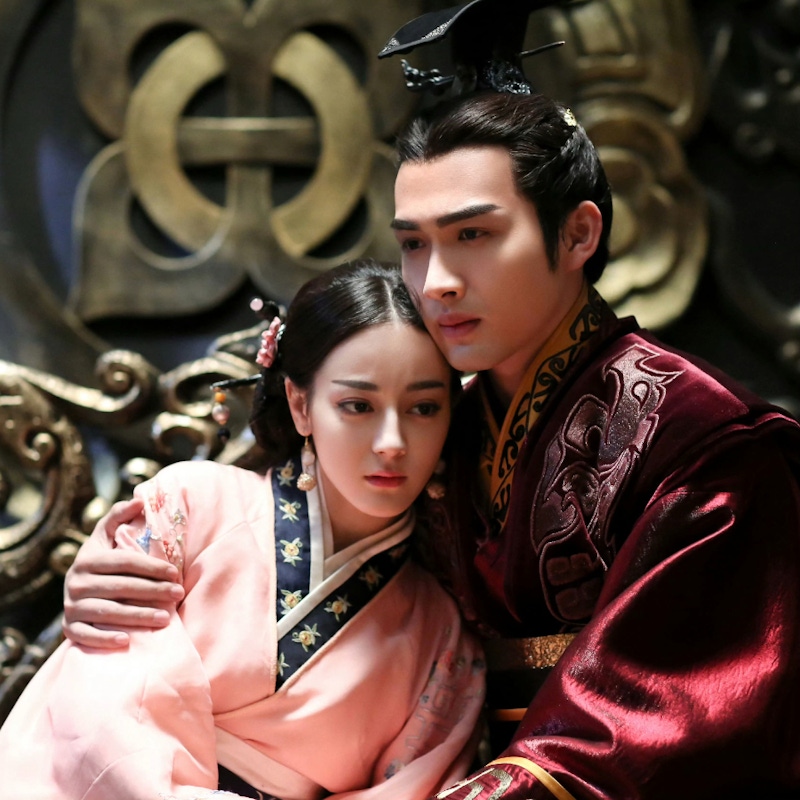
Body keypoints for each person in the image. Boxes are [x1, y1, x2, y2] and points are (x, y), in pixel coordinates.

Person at [61, 10, 800, 800]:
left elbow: (648, 727)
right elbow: (276, 517)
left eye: (473, 236)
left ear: (578, 234)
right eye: (414, 243)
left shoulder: (708, 445)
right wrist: (127, 569)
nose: (436, 282)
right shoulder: (444, 415)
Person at [0, 259, 486, 800]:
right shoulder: (185, 508)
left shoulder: (440, 634)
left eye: (423, 407)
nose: (392, 442)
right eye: (357, 405)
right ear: (301, 405)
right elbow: (101, 706)